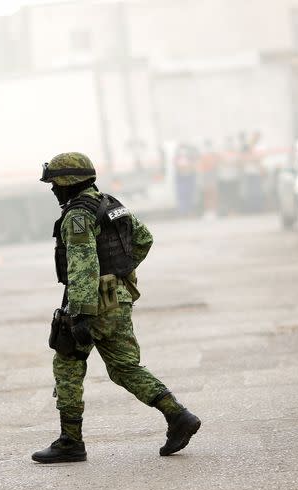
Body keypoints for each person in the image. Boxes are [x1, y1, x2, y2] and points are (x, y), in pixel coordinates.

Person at [33, 152, 201, 463]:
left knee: (68, 364)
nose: (53, 190)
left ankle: (71, 442)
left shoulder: (78, 215)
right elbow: (144, 239)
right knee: (125, 368)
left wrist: (80, 314)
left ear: (69, 183)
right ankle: (178, 415)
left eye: (55, 184)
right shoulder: (110, 204)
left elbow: (83, 266)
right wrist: (118, 273)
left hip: (92, 303)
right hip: (118, 299)